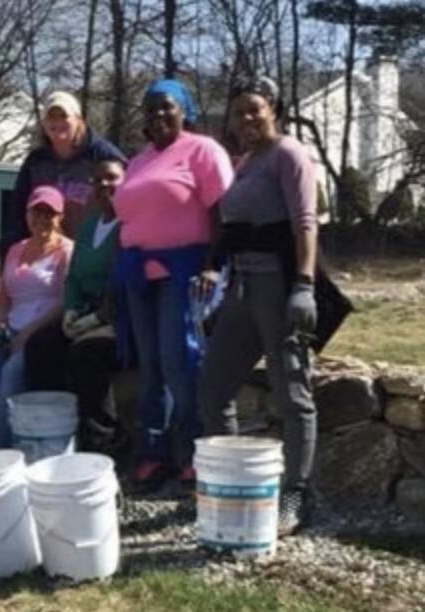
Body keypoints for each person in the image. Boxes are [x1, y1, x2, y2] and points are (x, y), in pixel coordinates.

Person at [197, 75, 318, 535]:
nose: (246, 118)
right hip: (241, 289)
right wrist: (215, 268)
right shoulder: (245, 162)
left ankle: (297, 494)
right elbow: (234, 227)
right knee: (213, 389)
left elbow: (305, 222)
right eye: (238, 111)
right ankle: (231, 482)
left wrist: (303, 284)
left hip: (278, 286)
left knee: (292, 394)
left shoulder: (289, 154)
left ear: (274, 110)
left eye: (255, 109)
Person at [111, 79, 234, 491]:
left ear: (185, 110)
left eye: (166, 107)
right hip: (139, 274)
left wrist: (214, 265)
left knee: (179, 362)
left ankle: (192, 452)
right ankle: (154, 452)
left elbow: (223, 212)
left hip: (184, 271)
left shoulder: (202, 151)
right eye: (149, 109)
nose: (157, 115)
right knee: (151, 370)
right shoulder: (139, 160)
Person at [23, 159, 126, 452]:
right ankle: (54, 430)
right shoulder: (90, 224)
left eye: (111, 178)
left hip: (118, 317)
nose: (104, 185)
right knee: (40, 346)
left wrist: (98, 318)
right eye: (97, 180)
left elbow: (123, 279)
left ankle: (103, 441)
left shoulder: (131, 223)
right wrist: (70, 309)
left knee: (86, 354)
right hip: (85, 311)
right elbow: (74, 277)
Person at [0, 186, 73, 453]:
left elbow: (64, 301)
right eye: (36, 213)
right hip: (9, 329)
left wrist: (28, 334)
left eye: (49, 214)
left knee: (10, 375)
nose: (42, 220)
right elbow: (3, 296)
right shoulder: (15, 249)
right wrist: (0, 326)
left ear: (60, 217)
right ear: (27, 215)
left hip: (42, 332)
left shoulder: (67, 250)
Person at [0, 90, 125, 258]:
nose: (57, 122)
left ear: (79, 120)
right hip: (46, 255)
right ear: (43, 124)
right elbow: (18, 208)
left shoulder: (102, 155)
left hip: (92, 252)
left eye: (63, 116)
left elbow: (126, 195)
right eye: (51, 117)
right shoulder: (36, 161)